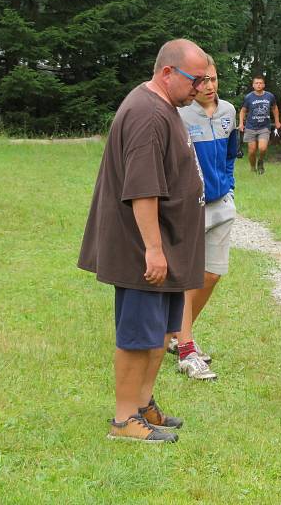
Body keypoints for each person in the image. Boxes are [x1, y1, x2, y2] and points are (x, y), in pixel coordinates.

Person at [78, 39, 209, 443]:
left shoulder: (165, 107)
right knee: (138, 336)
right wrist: (153, 248)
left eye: (205, 79)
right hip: (143, 249)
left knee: (160, 332)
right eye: (195, 79)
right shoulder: (146, 114)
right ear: (167, 73)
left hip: (167, 245)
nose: (201, 87)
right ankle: (123, 421)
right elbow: (142, 190)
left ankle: (143, 403)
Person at [172, 55, 237, 381]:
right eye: (202, 81)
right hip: (191, 208)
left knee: (211, 275)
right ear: (191, 83)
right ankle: (186, 349)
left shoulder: (228, 112)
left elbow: (229, 155)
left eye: (213, 79)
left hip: (221, 204)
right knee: (189, 278)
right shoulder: (180, 116)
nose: (209, 86)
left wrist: (229, 186)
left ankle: (178, 334)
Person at [239, 75, 279, 175]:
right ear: (253, 85)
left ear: (264, 85)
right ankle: (253, 167)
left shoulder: (269, 96)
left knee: (262, 148)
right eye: (256, 83)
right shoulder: (248, 97)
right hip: (251, 127)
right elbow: (243, 111)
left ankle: (260, 161)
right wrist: (241, 123)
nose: (258, 85)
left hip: (264, 126)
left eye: (260, 83)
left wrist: (277, 121)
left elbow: (274, 108)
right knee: (252, 151)